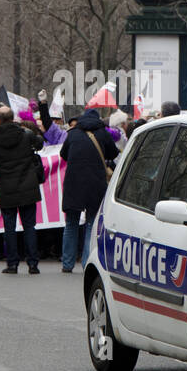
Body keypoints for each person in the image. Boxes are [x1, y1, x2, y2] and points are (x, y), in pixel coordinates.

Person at [0, 105, 45, 274]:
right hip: (28, 186)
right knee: (29, 226)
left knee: (9, 227)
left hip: (5, 188)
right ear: (13, 117)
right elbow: (40, 144)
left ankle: (12, 263)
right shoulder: (25, 134)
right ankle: (33, 264)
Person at [58, 107, 117, 273]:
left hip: (73, 183)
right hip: (95, 183)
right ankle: (86, 263)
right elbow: (112, 154)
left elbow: (64, 154)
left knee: (71, 224)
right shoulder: (103, 134)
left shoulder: (73, 133)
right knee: (91, 223)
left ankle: (67, 263)